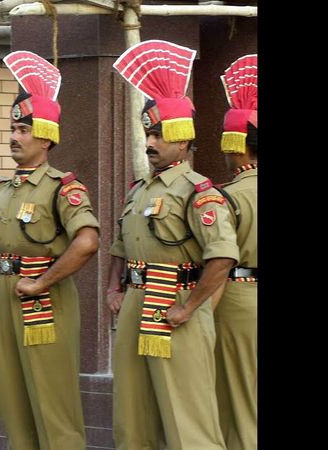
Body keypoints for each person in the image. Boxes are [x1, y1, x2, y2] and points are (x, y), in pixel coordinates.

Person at [105, 40, 240, 450]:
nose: (150, 142)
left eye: (159, 134)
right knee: (132, 411)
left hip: (175, 304)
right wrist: (114, 286)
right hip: (135, 301)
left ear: (182, 140)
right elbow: (120, 245)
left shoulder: (198, 192)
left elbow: (222, 256)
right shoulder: (138, 190)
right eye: (147, 132)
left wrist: (190, 305)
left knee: (187, 418)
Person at [0, 50, 100, 450]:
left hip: (45, 301)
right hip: (6, 301)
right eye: (13, 128)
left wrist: (43, 280)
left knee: (53, 403)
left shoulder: (63, 188)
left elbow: (87, 241)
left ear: (46, 136)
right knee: (13, 401)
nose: (14, 136)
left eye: (24, 130)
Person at [213, 54, 258, 450]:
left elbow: (219, 257)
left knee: (238, 397)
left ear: (237, 146)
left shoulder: (229, 196)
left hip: (239, 298)